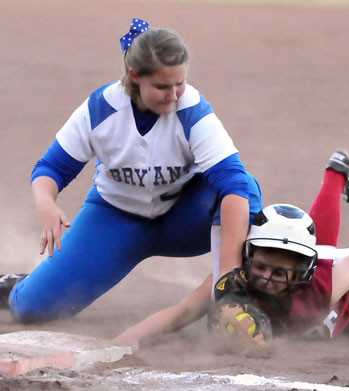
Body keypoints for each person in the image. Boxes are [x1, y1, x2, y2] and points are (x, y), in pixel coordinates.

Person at [7, 18, 262, 323]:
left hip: (183, 218)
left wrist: (228, 279)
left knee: (245, 187)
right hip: (115, 220)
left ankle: (232, 294)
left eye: (180, 82)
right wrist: (46, 204)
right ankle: (18, 284)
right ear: (135, 76)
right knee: (31, 309)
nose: (174, 93)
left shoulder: (191, 109)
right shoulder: (101, 109)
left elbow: (231, 181)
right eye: (162, 86)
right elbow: (51, 168)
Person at [115, 149, 349, 349]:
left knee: (327, 250)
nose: (266, 276)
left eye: (278, 271)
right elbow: (183, 311)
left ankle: (335, 175)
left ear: (303, 271)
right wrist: (135, 333)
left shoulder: (322, 286)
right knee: (320, 243)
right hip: (314, 262)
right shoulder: (237, 281)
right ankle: (336, 173)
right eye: (262, 266)